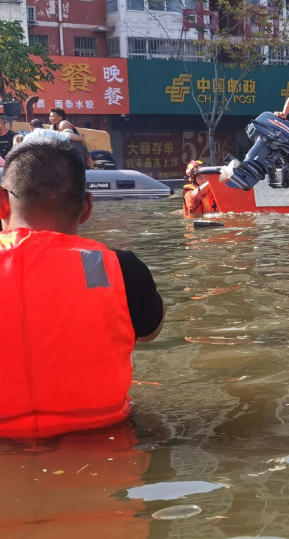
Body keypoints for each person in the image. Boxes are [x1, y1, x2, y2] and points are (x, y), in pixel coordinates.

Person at [0, 137, 165, 438]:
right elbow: (150, 332)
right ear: (87, 207)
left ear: (1, 202)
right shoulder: (122, 267)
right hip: (107, 444)